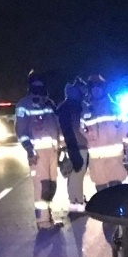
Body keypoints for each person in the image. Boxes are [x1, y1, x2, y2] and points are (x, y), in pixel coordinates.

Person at [15, 72, 62, 229]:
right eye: (36, 83)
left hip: (53, 153)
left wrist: (62, 149)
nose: (40, 86)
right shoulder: (24, 105)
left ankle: (48, 218)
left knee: (51, 186)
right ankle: (43, 222)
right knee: (42, 187)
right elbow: (21, 131)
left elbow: (57, 127)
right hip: (37, 154)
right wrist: (29, 149)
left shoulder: (48, 103)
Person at [56, 80, 90, 214]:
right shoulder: (75, 106)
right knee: (78, 174)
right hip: (77, 145)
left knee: (74, 174)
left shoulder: (64, 107)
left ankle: (75, 201)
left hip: (71, 145)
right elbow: (75, 128)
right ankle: (78, 203)